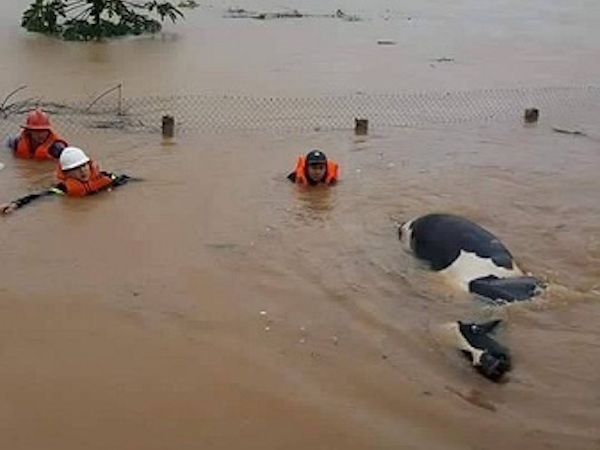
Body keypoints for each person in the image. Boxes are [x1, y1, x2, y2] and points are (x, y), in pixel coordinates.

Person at [1, 146, 135, 214]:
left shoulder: (105, 177)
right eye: (76, 169)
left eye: (84, 166)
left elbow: (126, 180)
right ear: (67, 173)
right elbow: (37, 197)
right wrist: (15, 204)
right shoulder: (64, 189)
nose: (82, 171)